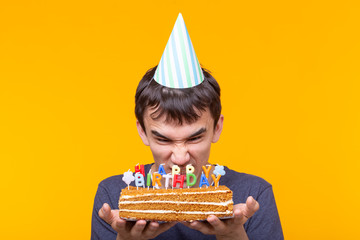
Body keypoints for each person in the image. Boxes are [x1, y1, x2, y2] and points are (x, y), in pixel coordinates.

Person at [91, 66, 284, 240]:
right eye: (163, 139)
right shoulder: (112, 197)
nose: (180, 158)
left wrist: (232, 235)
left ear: (217, 128)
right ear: (143, 132)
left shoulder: (254, 194)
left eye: (194, 138)